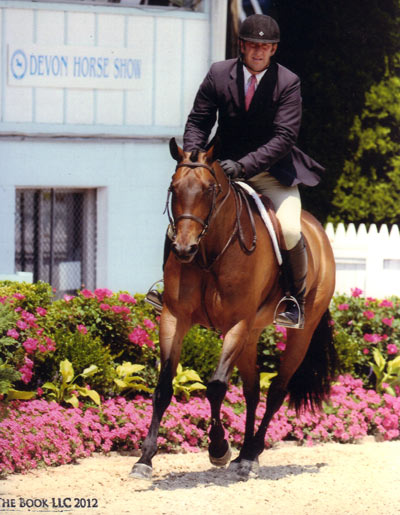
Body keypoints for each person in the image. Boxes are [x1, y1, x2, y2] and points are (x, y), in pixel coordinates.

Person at [146, 14, 324, 329]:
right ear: (242, 45)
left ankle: (293, 301)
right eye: (253, 45)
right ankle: (168, 289)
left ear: (273, 50)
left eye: (265, 47)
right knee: (183, 220)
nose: (258, 52)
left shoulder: (286, 82)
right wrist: (194, 158)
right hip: (221, 171)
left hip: (271, 173)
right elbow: (199, 120)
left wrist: (244, 165)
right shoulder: (219, 74)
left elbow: (284, 137)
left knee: (291, 229)